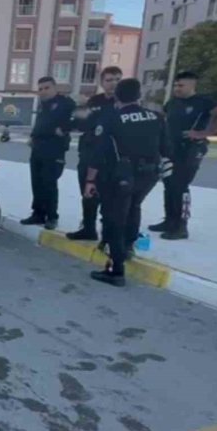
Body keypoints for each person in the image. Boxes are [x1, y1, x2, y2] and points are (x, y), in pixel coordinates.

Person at [84, 79, 171, 287]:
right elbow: (167, 150)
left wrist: (90, 180)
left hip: (121, 174)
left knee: (114, 219)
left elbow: (99, 153)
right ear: (139, 96)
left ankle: (116, 270)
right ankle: (129, 245)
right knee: (134, 207)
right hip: (149, 174)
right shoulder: (157, 117)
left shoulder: (112, 118)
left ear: (116, 97)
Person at [148, 71, 217, 240]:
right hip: (172, 148)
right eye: (175, 85)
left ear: (192, 85)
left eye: (181, 85)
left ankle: (181, 226)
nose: (177, 88)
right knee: (169, 184)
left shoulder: (203, 102)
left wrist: (204, 133)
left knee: (181, 186)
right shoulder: (172, 102)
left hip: (191, 149)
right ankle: (170, 221)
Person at [67, 66, 122, 241]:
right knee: (87, 191)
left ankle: (109, 235)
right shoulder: (94, 101)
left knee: (110, 197)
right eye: (109, 80)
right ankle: (88, 228)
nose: (113, 83)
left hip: (113, 156)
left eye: (117, 79)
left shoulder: (124, 103)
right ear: (102, 83)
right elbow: (80, 124)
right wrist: (80, 108)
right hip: (89, 152)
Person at [21, 77, 75, 230]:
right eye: (40, 89)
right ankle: (38, 213)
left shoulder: (65, 102)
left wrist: (64, 129)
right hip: (38, 148)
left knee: (49, 183)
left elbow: (79, 118)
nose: (43, 91)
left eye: (46, 88)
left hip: (54, 149)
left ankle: (52, 216)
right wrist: (32, 136)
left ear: (54, 88)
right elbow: (40, 123)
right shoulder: (43, 105)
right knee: (37, 182)